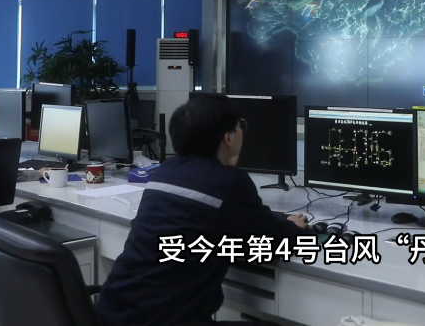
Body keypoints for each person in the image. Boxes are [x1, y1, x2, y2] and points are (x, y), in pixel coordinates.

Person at [96, 95, 308, 326]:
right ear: (228, 138)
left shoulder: (164, 172)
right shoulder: (229, 182)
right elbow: (269, 243)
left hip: (114, 313)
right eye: (240, 125)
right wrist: (292, 227)